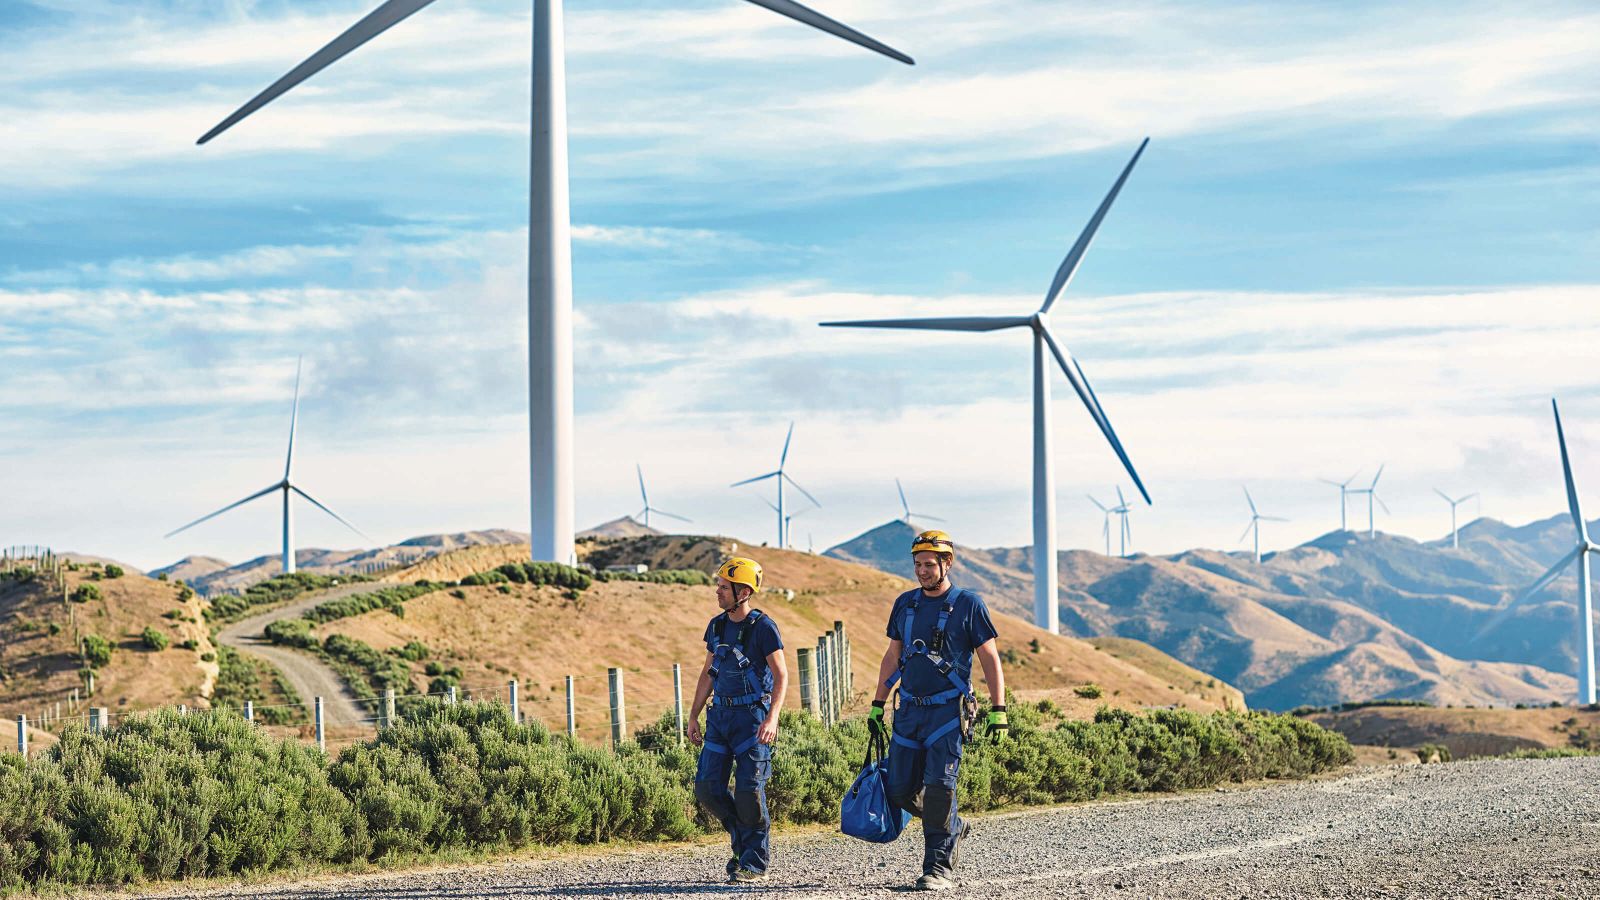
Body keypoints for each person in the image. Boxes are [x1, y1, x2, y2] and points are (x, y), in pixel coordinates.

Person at [867, 530, 1008, 891]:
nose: (922, 571)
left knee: (940, 788)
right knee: (898, 790)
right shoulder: (904, 604)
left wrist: (999, 708)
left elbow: (989, 657)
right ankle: (953, 826)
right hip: (908, 712)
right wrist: (878, 703)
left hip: (947, 714)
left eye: (929, 564)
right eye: (917, 564)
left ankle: (938, 867)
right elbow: (892, 655)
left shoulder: (969, 604)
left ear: (948, 563)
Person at [687, 556, 787, 884]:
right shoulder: (716, 626)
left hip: (753, 720)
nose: (717, 591)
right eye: (718, 585)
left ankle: (754, 863)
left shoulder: (764, 628)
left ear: (743, 591)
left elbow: (782, 676)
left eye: (723, 587)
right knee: (706, 788)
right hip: (720, 718)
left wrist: (772, 718)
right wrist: (693, 715)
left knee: (748, 792)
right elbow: (707, 673)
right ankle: (741, 838)